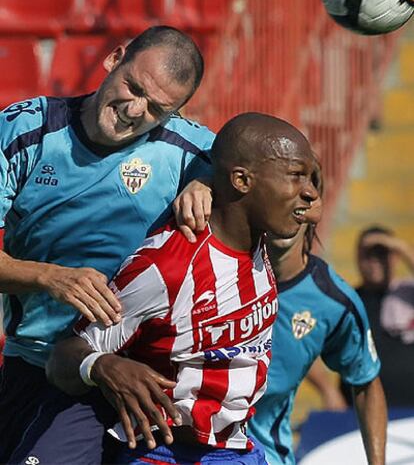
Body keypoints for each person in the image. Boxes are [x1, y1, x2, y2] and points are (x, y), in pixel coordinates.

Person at [27, 112, 321, 465]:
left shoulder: (260, 239)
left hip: (237, 448)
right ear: (242, 180)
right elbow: (64, 357)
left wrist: (205, 183)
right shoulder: (166, 268)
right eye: (295, 176)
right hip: (168, 453)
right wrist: (102, 365)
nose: (310, 193)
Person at [0, 26, 216, 462]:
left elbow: (277, 177)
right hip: (41, 364)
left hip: (148, 378)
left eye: (157, 109)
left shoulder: (195, 154)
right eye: (132, 87)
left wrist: (210, 183)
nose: (134, 110)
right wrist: (49, 278)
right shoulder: (26, 130)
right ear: (114, 58)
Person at [247, 186, 387, 464]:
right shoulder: (213, 265)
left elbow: (367, 384)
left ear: (315, 205)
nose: (291, 198)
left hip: (265, 456)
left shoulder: (333, 301)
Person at [341, 227, 414, 408]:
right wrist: (329, 391)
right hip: (360, 413)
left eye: (381, 253)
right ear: (358, 258)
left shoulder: (407, 295)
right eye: (368, 255)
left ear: (395, 257)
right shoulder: (347, 301)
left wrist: (402, 248)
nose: (374, 261)